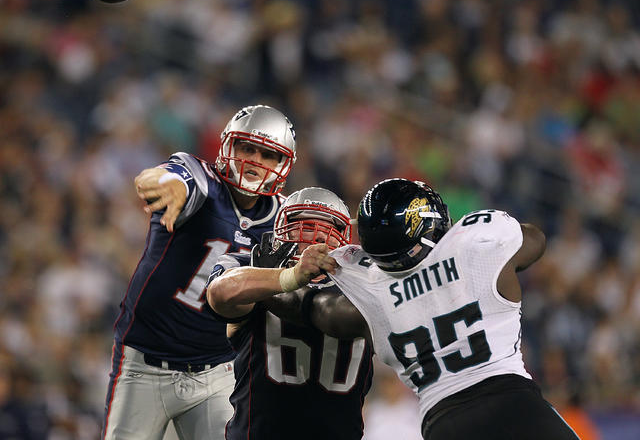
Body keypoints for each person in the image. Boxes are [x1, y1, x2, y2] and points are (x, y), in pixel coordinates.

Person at [275, 178, 582, 440]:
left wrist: (271, 277)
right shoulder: (477, 247)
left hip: (443, 423)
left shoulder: (368, 294)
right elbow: (535, 240)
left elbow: (309, 309)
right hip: (516, 405)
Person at [101, 105, 297, 440]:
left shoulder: (284, 221)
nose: (254, 161)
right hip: (145, 364)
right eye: (246, 147)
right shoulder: (202, 179)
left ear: (283, 164)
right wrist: (165, 184)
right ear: (226, 146)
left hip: (217, 373)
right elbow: (167, 177)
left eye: (267, 154)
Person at [206, 187, 374, 440]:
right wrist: (289, 277)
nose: (316, 236)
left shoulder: (367, 284)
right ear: (279, 230)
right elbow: (221, 293)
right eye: (304, 224)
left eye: (329, 228)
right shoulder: (253, 266)